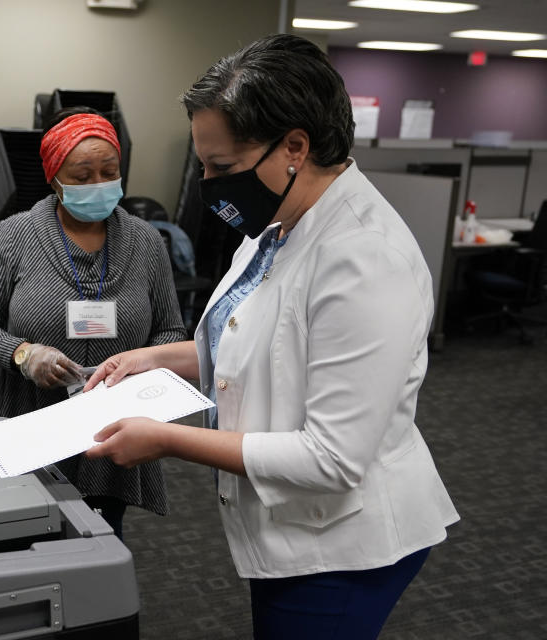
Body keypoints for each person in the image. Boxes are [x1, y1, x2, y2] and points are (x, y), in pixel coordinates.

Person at [83, 34, 459, 638]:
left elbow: (332, 458)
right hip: (292, 524)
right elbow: (256, 343)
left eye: (222, 167)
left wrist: (167, 441)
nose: (207, 183)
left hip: (340, 543)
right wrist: (154, 358)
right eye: (203, 164)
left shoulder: (363, 259)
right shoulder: (278, 221)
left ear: (295, 147)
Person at [0, 107, 186, 538]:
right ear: (55, 177)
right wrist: (25, 355)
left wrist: (139, 364)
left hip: (113, 429)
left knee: (103, 540)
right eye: (82, 176)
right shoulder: (16, 234)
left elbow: (172, 331)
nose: (97, 185)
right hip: (34, 425)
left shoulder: (146, 241)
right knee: (31, 543)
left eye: (109, 172)